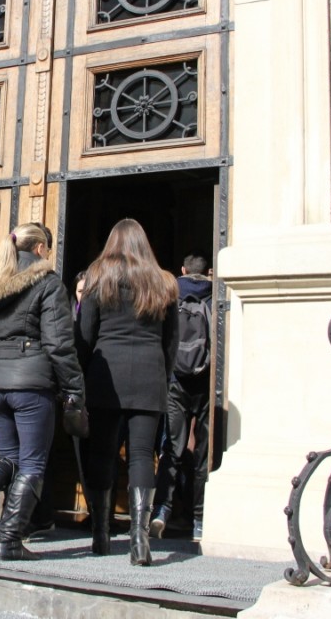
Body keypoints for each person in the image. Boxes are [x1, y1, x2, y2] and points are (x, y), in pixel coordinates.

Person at [0, 222, 83, 561]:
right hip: (31, 385)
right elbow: (58, 343)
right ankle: (9, 540)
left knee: (9, 456)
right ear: (40, 249)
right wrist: (74, 387)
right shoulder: (48, 283)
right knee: (31, 462)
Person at [77, 218, 178, 566]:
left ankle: (101, 534)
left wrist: (80, 376)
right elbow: (171, 341)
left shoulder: (98, 276)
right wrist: (163, 373)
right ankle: (139, 539)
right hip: (150, 375)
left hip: (106, 377)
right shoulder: (163, 282)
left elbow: (85, 334)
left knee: (102, 453)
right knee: (142, 455)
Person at [151, 253, 213, 541]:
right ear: (208, 272)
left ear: (183, 270)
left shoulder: (170, 294)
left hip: (176, 381)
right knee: (203, 453)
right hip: (206, 383)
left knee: (172, 450)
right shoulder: (215, 295)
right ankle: (199, 518)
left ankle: (161, 510)